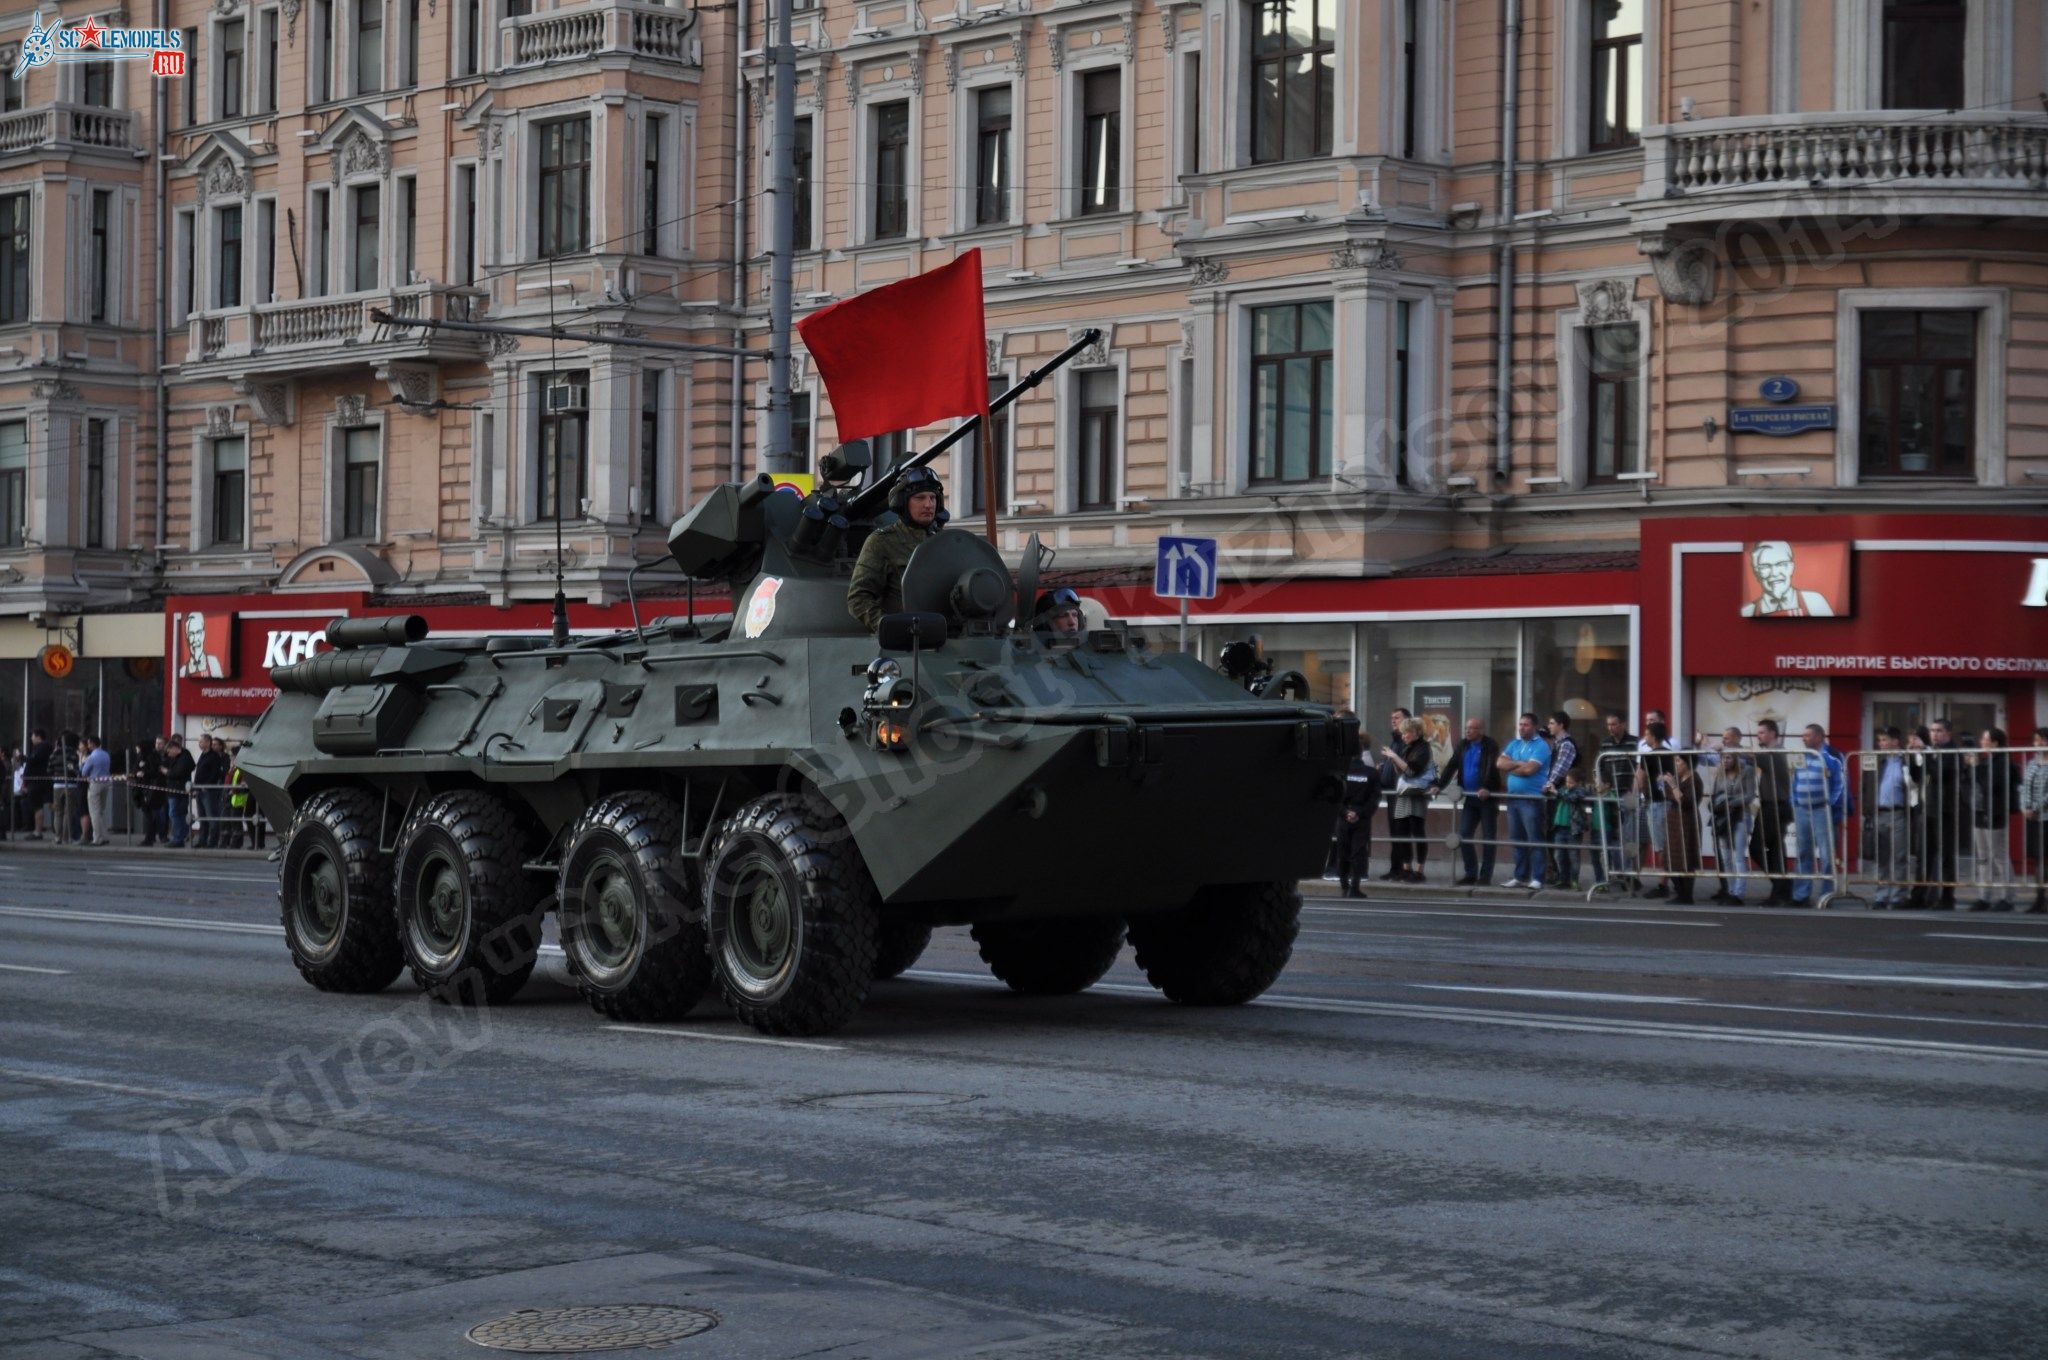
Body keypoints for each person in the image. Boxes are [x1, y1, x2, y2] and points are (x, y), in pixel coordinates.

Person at [847, 466, 945, 632]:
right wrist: (889, 626)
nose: (929, 504)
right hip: (906, 645)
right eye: (920, 498)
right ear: (903, 502)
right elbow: (858, 599)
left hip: (949, 638)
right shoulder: (882, 541)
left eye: (933, 498)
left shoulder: (944, 542)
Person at [1435, 716, 1501, 886]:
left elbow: (1491, 768)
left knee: (1488, 838)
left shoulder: (1490, 745)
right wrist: (1439, 785)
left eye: (1471, 728)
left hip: (1487, 798)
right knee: (1463, 835)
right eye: (1467, 728)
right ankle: (1471, 873)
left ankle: (1485, 876)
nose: (1468, 731)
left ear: (1480, 730)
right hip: (1470, 798)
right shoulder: (1463, 745)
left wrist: (1486, 786)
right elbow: (1452, 765)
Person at [1788, 723, 1846, 907]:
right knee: (1803, 852)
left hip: (1822, 810)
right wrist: (1795, 801)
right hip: (1802, 810)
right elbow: (1794, 779)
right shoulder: (1802, 756)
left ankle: (1827, 895)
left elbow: (1840, 783)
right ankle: (1800, 895)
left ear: (1819, 737)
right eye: (1803, 735)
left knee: (1827, 855)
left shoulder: (1832, 756)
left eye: (1807, 735)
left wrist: (1831, 804)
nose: (1803, 738)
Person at [1967, 728, 2020, 912]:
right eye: (1982, 738)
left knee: (1999, 856)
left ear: (1995, 743)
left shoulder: (2002, 761)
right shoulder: (1987, 761)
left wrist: (1976, 767)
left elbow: (1991, 785)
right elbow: (1971, 783)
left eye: (1986, 739)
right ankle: (1984, 896)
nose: (1982, 742)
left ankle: (2008, 896)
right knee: (1982, 857)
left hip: (1995, 814)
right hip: (1980, 813)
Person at [1869, 726, 1921, 910]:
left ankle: (1898, 895)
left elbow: (1916, 783)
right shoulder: (1879, 761)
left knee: (1899, 856)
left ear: (1895, 741)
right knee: (1881, 857)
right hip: (1880, 812)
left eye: (1885, 740)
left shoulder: (1905, 761)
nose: (1882, 744)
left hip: (1899, 813)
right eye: (1880, 740)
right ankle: (1881, 894)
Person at [1497, 713, 1551, 889]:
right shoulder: (1515, 743)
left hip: (1531, 799)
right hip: (1513, 798)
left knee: (1535, 839)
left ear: (1534, 726)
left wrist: (1511, 766)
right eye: (1520, 724)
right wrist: (1519, 764)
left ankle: (1537, 877)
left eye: (1526, 725)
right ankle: (1520, 876)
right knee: (1517, 839)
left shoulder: (1541, 746)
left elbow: (1529, 770)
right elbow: (1499, 763)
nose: (1521, 728)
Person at [1702, 727, 1756, 905]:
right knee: (1725, 855)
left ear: (1735, 757)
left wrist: (1729, 801)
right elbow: (1716, 792)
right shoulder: (1719, 771)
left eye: (1728, 757)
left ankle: (1739, 892)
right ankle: (1730, 889)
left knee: (1738, 855)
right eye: (1723, 757)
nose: (1725, 760)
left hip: (1739, 816)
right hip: (1723, 818)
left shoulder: (1746, 770)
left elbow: (1749, 796)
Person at [1921, 717, 1970, 911]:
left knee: (1946, 855)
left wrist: (1928, 756)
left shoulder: (1952, 752)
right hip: (1930, 808)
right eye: (1932, 731)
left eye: (1939, 731)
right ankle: (1924, 894)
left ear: (1948, 733)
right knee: (1926, 853)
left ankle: (1948, 896)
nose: (1934, 734)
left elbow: (1941, 773)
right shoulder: (1930, 752)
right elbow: (1920, 775)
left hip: (1947, 809)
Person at [1379, 717, 1435, 885]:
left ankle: (1419, 870)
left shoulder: (1423, 748)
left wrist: (1394, 756)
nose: (1403, 736)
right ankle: (1406, 868)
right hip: (1404, 793)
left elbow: (1411, 771)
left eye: (1407, 733)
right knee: (1401, 831)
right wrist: (1393, 759)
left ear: (1416, 732)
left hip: (1416, 794)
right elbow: (1401, 771)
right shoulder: (1408, 748)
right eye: (1402, 733)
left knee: (1417, 830)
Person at [1751, 719, 1794, 906]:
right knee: (1775, 850)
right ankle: (1780, 890)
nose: (1758, 736)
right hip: (1771, 805)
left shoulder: (1775, 753)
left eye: (1761, 732)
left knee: (1757, 847)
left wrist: (1732, 747)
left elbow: (1752, 757)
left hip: (1775, 806)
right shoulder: (1772, 753)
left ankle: (1781, 885)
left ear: (1772, 734)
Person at [1335, 741, 1382, 899]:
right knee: (1359, 852)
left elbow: (1335, 796)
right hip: (1361, 819)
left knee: (1343, 851)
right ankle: (1355, 887)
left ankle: (1343, 885)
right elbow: (1375, 798)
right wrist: (1359, 813)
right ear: (1362, 753)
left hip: (1344, 817)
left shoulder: (1341, 772)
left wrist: (1345, 812)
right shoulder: (1372, 773)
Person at [1740, 541, 1836, 618]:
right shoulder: (1748, 611)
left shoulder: (1814, 601)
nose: (1774, 573)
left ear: (1791, 567)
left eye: (1781, 564)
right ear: (1756, 572)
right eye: (1765, 566)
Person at [1598, 714, 1640, 888]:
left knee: (1629, 837)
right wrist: (1602, 786)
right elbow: (1599, 768)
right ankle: (1618, 872)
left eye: (1614, 724)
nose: (1611, 728)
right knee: (1614, 837)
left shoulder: (1634, 742)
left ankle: (1630, 874)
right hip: (1611, 795)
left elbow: (1640, 767)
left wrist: (1635, 790)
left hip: (1627, 793)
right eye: (1608, 724)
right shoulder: (1605, 743)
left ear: (1623, 724)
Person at [1539, 712, 1580, 888]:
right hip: (1557, 795)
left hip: (1562, 796)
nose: (1549, 726)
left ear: (1561, 725)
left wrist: (1547, 785)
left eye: (1552, 723)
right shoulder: (1557, 744)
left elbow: (1560, 769)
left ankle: (1568, 878)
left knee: (1562, 837)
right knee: (1553, 835)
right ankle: (1561, 876)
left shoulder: (1566, 745)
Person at [1659, 756, 1705, 904]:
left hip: (1687, 822)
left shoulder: (1695, 780)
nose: (1676, 764)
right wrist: (1670, 785)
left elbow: (1685, 801)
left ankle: (1686, 895)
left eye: (1679, 761)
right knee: (1671, 858)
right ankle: (1679, 891)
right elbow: (1667, 794)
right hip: (1674, 822)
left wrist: (1673, 786)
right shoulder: (1677, 777)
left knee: (1686, 858)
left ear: (1687, 763)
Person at [1377, 708, 1413, 881]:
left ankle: (1403, 869)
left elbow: (1407, 766)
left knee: (1401, 832)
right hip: (1392, 792)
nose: (1393, 720)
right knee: (1395, 832)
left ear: (1407, 720)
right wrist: (1382, 769)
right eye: (1391, 717)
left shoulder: (1407, 741)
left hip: (1402, 793)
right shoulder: (1395, 741)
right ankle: (1395, 868)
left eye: (1397, 718)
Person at [1548, 768, 1598, 890]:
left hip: (1573, 829)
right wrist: (1549, 790)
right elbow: (1556, 795)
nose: (1568, 785)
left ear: (1578, 783)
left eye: (1571, 782)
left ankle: (1574, 880)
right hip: (1559, 827)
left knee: (1573, 856)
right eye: (1567, 782)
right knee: (1559, 855)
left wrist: (1557, 793)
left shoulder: (1580, 791)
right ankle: (1562, 879)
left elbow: (1572, 798)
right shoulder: (1563, 790)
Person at [2021, 728, 2048, 914]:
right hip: (2033, 818)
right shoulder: (2031, 763)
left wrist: (2037, 807)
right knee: (2038, 859)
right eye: (2036, 740)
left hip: (2045, 816)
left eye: (2042, 740)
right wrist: (2025, 807)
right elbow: (2024, 787)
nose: (2038, 743)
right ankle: (2039, 898)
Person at [192, 734, 229, 849]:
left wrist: (206, 785)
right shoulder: (203, 755)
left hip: (209, 791)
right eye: (199, 742)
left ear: (208, 742)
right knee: (202, 817)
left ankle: (212, 841)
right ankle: (202, 840)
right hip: (199, 790)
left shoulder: (214, 756)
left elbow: (215, 773)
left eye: (201, 742)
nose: (199, 744)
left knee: (211, 816)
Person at [79, 735, 112, 847]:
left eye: (88, 743)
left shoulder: (92, 757)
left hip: (95, 783)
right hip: (106, 782)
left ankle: (97, 838)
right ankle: (104, 836)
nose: (88, 745)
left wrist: (81, 761)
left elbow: (83, 772)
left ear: (92, 744)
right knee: (101, 811)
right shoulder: (106, 754)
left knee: (94, 812)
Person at [163, 734, 195, 849]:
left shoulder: (184, 757)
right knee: (179, 814)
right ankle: (180, 837)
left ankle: (178, 838)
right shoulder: (177, 758)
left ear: (175, 748)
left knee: (175, 814)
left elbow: (177, 773)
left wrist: (167, 772)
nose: (169, 754)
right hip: (175, 790)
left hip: (178, 791)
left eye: (169, 751)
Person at [23, 728, 51, 840]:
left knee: (37, 806)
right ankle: (37, 830)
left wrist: (24, 758)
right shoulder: (38, 748)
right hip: (34, 781)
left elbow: (33, 760)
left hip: (37, 782)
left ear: (38, 736)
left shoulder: (42, 747)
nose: (31, 738)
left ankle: (38, 831)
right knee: (35, 806)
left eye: (33, 736)